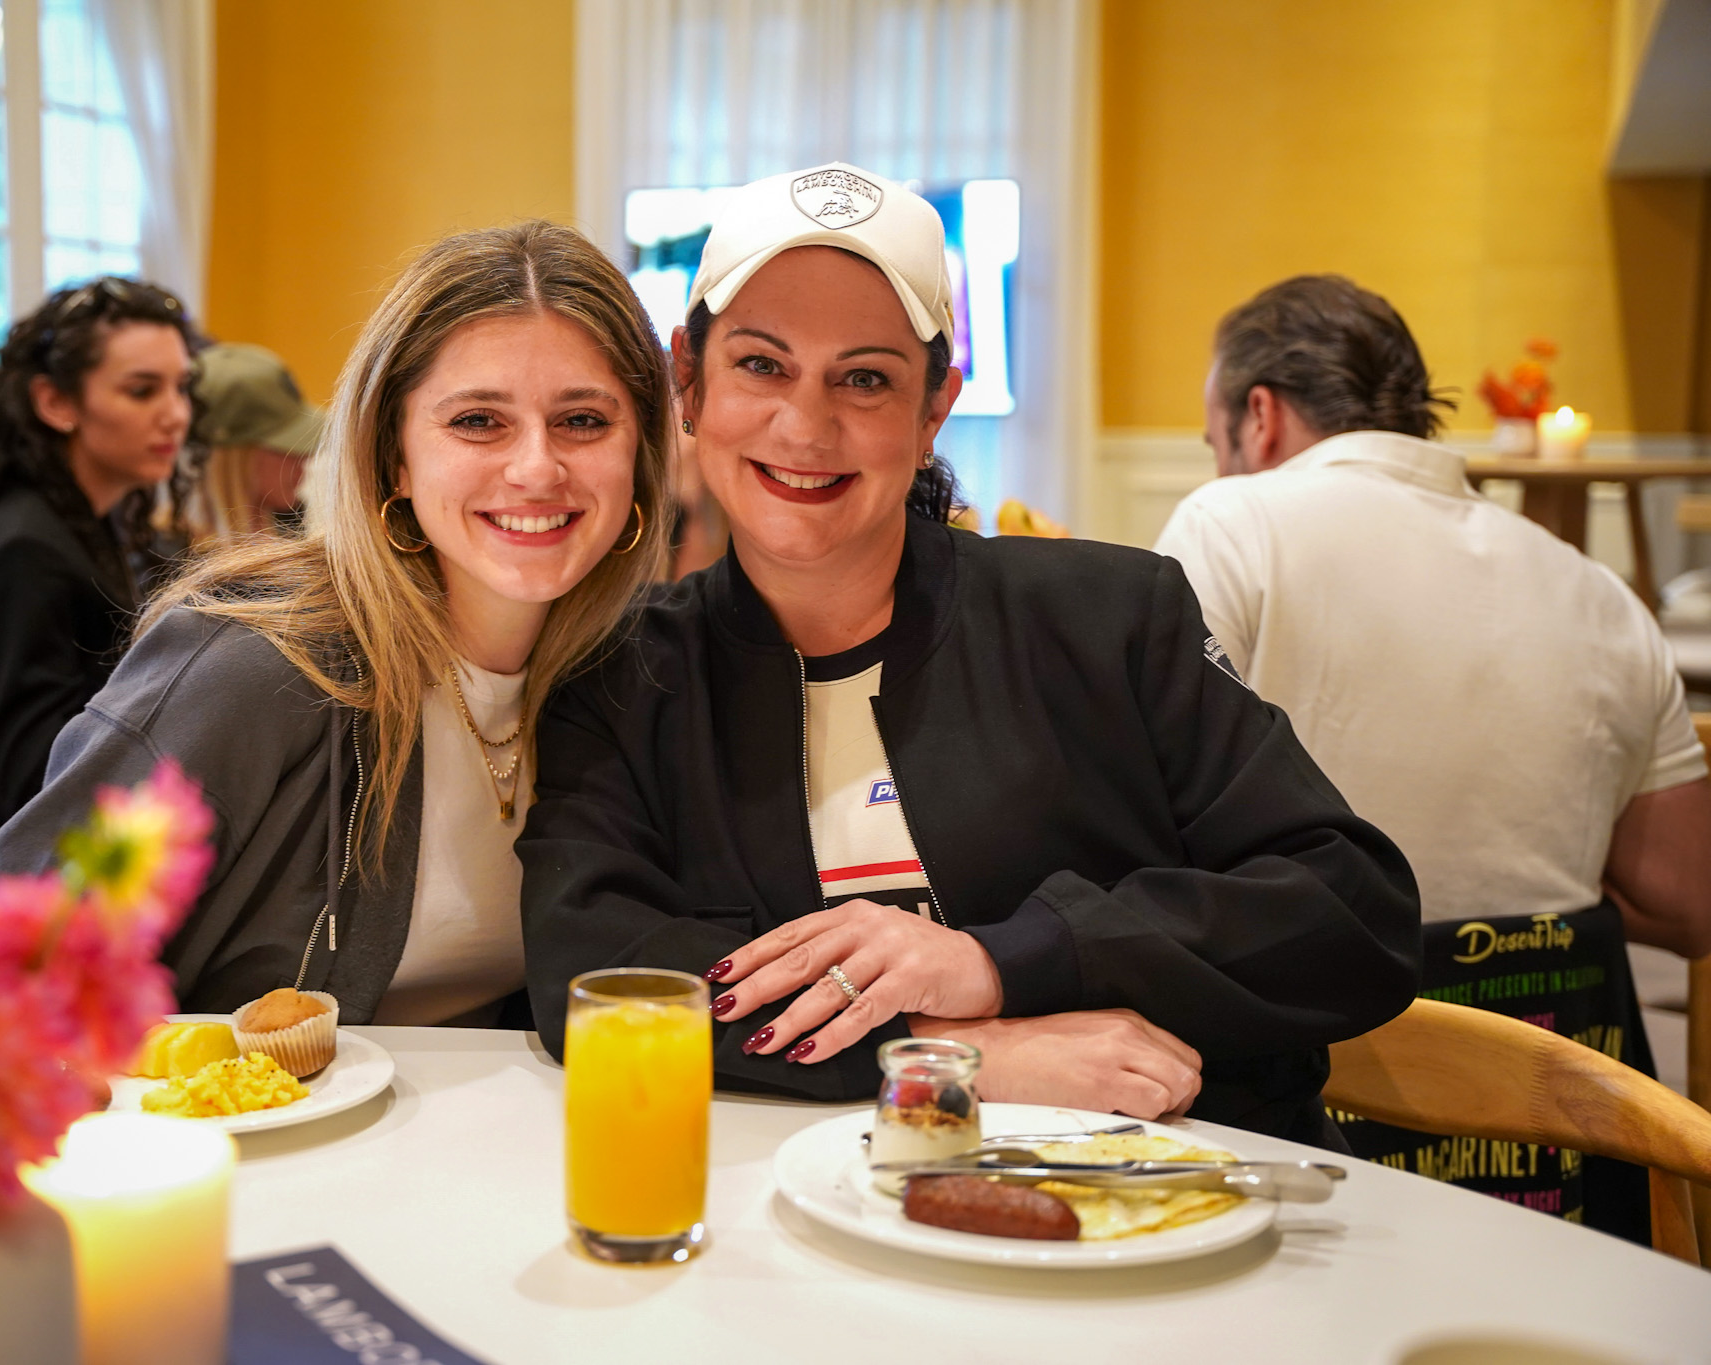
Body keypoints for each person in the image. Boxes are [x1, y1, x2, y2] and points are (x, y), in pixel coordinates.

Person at [519, 164, 1421, 1147]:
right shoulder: (625, 676)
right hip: (804, 1225)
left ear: (933, 408)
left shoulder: (1107, 618)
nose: (806, 425)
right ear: (687, 384)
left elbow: (1346, 911)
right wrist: (953, 1062)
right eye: (760, 365)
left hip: (1171, 1207)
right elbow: (594, 976)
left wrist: (1001, 963)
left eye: (864, 378)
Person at [0, 222, 673, 1022]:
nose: (536, 467)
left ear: (640, 454)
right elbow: (16, 954)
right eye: (478, 421)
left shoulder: (637, 670)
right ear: (395, 457)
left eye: (584, 420)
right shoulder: (253, 668)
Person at [1152, 273, 1711, 1235]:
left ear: (1259, 416)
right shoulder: (1598, 591)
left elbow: (1149, 832)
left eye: (1214, 445)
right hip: (1558, 1154)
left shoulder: (1231, 523)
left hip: (1309, 1123)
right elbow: (1689, 896)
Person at [0, 277, 201, 866]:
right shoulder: (22, 552)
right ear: (56, 403)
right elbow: (37, 786)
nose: (176, 415)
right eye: (143, 391)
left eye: (182, 388)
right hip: (34, 873)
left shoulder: (78, 521)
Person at [186, 342, 323, 543]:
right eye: (286, 446)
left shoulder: (290, 520)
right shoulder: (171, 559)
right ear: (237, 456)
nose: (305, 458)